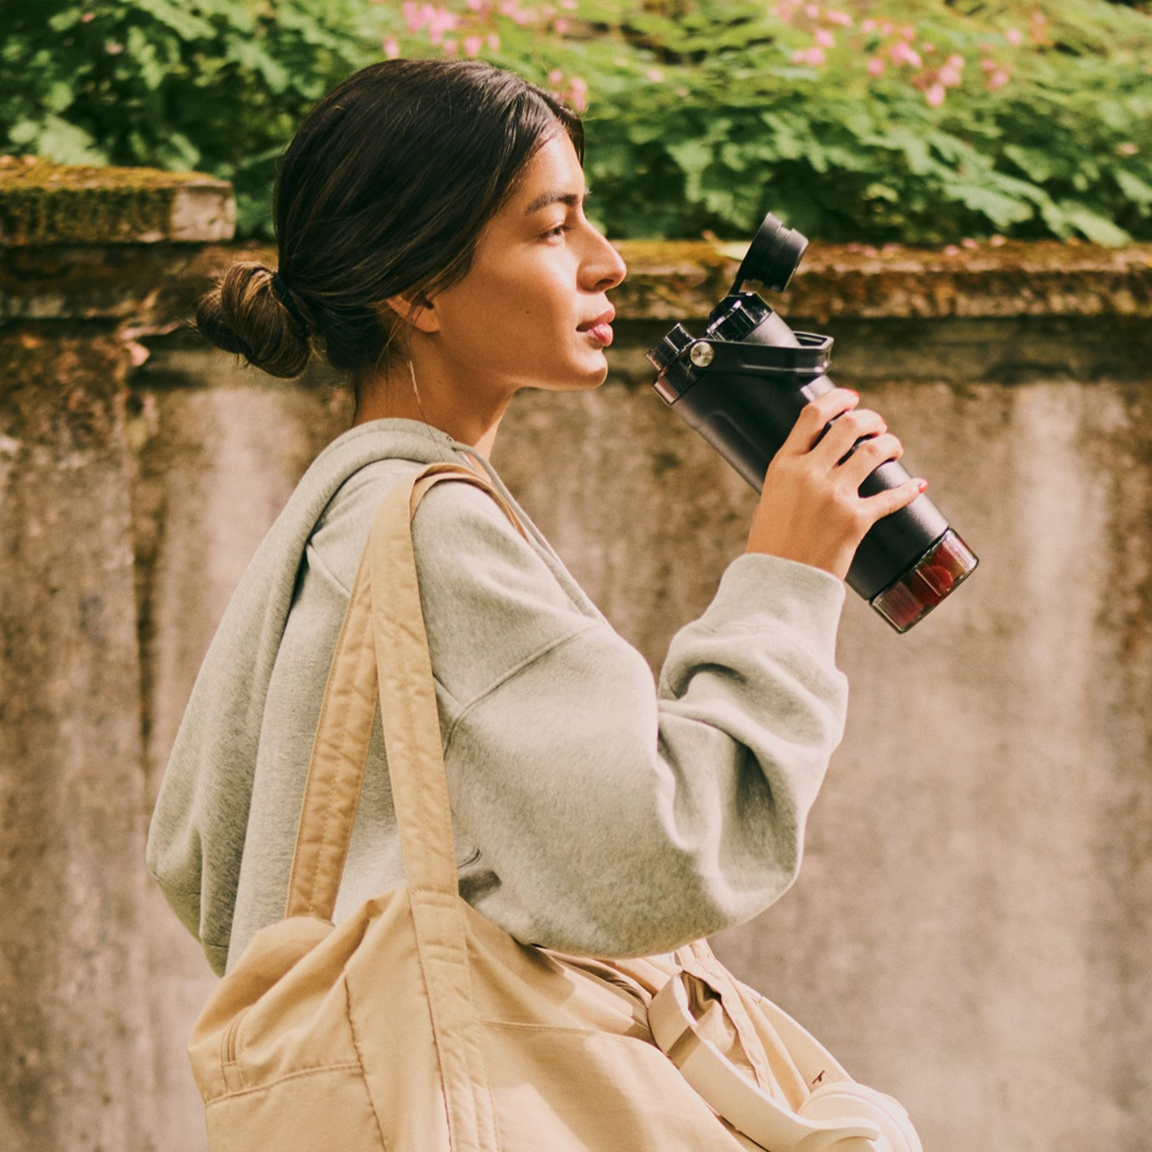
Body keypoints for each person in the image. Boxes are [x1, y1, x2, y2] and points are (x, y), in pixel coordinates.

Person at [146, 58, 923, 978]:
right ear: (419, 291)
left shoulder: (347, 519)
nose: (609, 261)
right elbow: (667, 858)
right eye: (554, 228)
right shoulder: (433, 537)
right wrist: (788, 579)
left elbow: (201, 861)